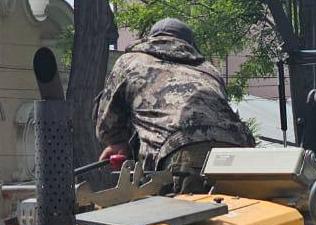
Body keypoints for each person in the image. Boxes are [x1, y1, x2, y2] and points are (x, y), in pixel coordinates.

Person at [94, 19, 254, 193]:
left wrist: (118, 142)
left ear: (151, 38)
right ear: (190, 44)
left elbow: (108, 125)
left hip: (181, 152)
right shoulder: (210, 70)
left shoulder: (130, 61)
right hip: (238, 151)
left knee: (188, 217)